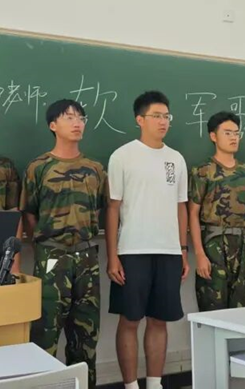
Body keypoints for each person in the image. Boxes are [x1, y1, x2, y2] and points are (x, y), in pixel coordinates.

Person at [106, 91, 189, 389]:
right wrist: (113, 256)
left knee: (159, 320)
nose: (163, 121)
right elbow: (113, 208)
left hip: (168, 252)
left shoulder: (176, 159)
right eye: (156, 116)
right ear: (140, 119)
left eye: (167, 116)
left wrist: (183, 250)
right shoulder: (122, 156)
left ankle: (155, 384)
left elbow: (181, 207)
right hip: (132, 250)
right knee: (129, 320)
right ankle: (131, 386)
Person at [22, 99, 107, 387]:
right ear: (53, 125)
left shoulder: (95, 169)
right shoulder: (38, 167)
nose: (77, 123)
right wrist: (43, 247)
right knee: (44, 336)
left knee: (86, 338)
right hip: (51, 257)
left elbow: (100, 210)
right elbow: (29, 213)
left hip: (87, 259)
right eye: (69, 117)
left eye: (80, 118)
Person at [189, 112, 245, 311]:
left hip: (243, 245)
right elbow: (193, 214)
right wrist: (199, 254)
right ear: (213, 136)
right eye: (227, 133)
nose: (233, 138)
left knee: (239, 310)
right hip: (214, 244)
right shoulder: (203, 171)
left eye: (236, 133)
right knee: (212, 307)